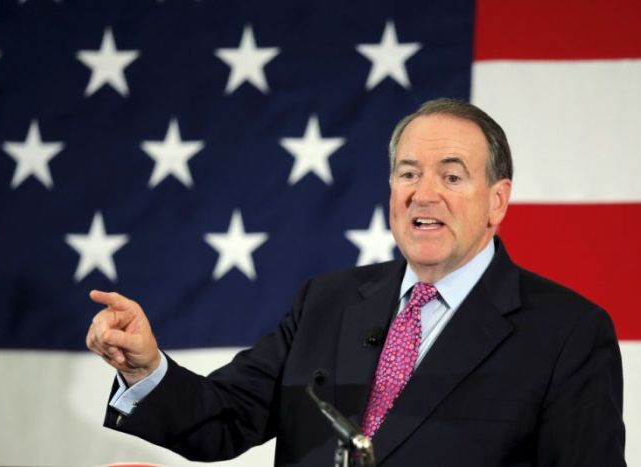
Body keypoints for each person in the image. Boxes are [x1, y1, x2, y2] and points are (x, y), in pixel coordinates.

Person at [87, 98, 626, 466]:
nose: (424, 193)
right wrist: (145, 368)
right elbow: (223, 419)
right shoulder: (327, 301)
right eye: (409, 172)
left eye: (453, 176)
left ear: (497, 201)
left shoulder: (567, 334)